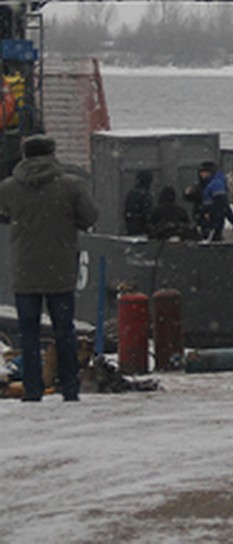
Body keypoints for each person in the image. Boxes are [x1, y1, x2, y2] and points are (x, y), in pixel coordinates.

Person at [0, 135, 99, 401]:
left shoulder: (9, 187)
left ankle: (33, 390)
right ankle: (69, 388)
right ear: (52, 153)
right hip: (61, 266)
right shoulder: (70, 185)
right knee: (64, 331)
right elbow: (90, 217)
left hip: (25, 269)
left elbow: (4, 211)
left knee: (28, 333)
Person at [196, 161, 233, 242]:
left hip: (213, 219)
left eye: (204, 172)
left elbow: (221, 203)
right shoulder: (208, 183)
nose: (202, 175)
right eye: (201, 172)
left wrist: (210, 214)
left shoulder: (216, 184)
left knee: (211, 240)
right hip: (209, 218)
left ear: (210, 172)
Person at [123, 169, 154, 235]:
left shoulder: (131, 194)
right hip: (141, 230)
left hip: (131, 228)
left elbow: (126, 212)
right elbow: (147, 214)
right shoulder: (145, 195)